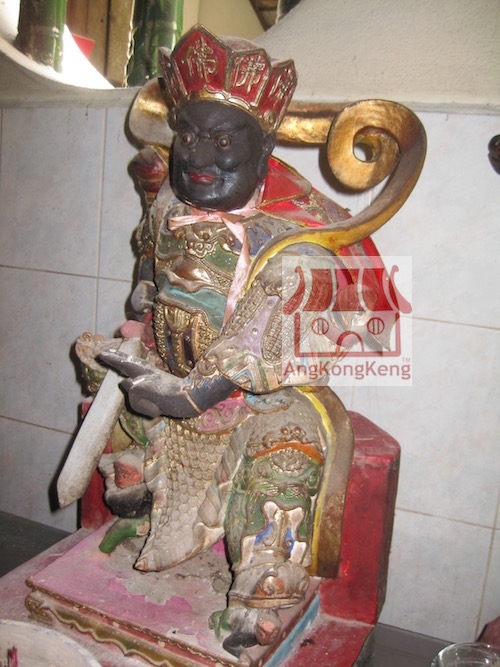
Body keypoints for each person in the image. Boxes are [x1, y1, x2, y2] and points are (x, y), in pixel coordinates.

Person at [87, 25, 395, 656]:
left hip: (257, 399)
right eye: (188, 135)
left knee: (287, 444)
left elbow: (321, 322)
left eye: (224, 139)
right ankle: (141, 493)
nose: (198, 154)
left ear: (265, 148)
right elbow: (149, 268)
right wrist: (144, 308)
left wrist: (195, 392)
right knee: (102, 363)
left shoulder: (298, 238)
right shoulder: (167, 203)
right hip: (168, 373)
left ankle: (263, 591)